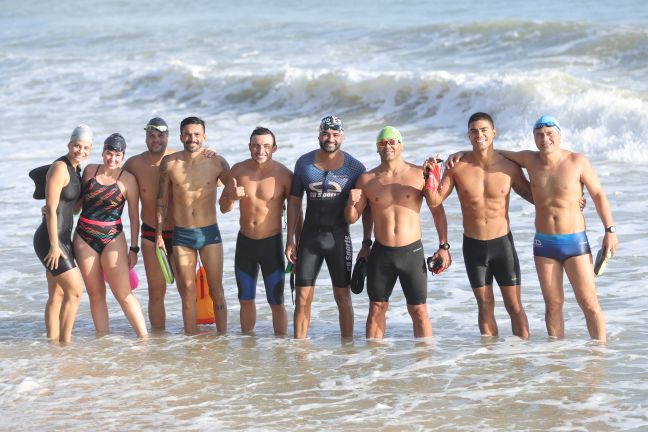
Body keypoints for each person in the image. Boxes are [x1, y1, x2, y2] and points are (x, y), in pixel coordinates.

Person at [496, 115, 617, 343]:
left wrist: (610, 230)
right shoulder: (529, 159)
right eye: (539, 135)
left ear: (559, 135)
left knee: (589, 302)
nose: (545, 139)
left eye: (550, 134)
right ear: (534, 138)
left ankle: (600, 355)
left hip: (575, 242)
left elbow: (598, 195)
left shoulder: (577, 161)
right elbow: (494, 152)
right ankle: (556, 360)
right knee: (553, 304)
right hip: (544, 243)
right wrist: (461, 154)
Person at [424, 112, 531, 339]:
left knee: (514, 306)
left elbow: (534, 196)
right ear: (469, 135)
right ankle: (490, 361)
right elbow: (434, 200)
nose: (479, 134)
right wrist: (430, 174)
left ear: (494, 133)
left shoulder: (509, 167)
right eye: (474, 131)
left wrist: (570, 196)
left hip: (502, 244)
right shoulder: (457, 166)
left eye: (484, 130)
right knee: (485, 305)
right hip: (473, 246)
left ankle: (523, 359)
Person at [345, 126, 450, 338]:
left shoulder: (419, 174)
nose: (388, 146)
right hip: (381, 254)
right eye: (382, 143)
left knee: (419, 311)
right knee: (376, 308)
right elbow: (353, 218)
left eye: (392, 142)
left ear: (401, 145)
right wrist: (350, 203)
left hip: (411, 252)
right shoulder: (366, 180)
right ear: (377, 148)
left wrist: (443, 246)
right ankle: (374, 364)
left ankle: (425, 363)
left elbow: (437, 210)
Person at [285, 115, 371, 339]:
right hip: (309, 239)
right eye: (325, 133)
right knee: (302, 298)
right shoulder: (304, 163)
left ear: (341, 137)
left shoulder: (355, 168)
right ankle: (299, 351)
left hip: (338, 238)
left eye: (335, 134)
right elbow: (294, 202)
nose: (330, 138)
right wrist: (291, 240)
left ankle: (347, 348)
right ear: (319, 135)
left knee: (342, 297)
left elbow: (366, 209)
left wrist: (366, 243)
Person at [220, 126, 301, 335]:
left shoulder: (284, 175)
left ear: (275, 148)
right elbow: (223, 208)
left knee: (276, 301)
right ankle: (249, 349)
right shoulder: (237, 170)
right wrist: (231, 197)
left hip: (271, 243)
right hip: (245, 242)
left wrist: (293, 242)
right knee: (245, 298)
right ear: (249, 146)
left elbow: (296, 211)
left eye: (266, 146)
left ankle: (281, 349)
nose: (260, 150)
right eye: (256, 145)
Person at [156, 116, 231, 335]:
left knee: (216, 290)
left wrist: (233, 197)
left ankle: (223, 338)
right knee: (187, 292)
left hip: (209, 233)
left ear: (204, 137)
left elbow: (235, 190)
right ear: (181, 136)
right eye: (188, 134)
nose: (192, 138)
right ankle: (190, 341)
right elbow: (161, 201)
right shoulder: (169, 163)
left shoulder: (217, 162)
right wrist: (159, 234)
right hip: (182, 235)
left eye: (197, 134)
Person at [73, 133, 148, 337]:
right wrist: (52, 208)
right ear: (103, 151)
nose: (112, 159)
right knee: (96, 294)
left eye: (117, 155)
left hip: (112, 237)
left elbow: (134, 216)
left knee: (123, 294)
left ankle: (144, 339)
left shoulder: (128, 180)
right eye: (109, 153)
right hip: (84, 237)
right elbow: (75, 204)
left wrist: (134, 249)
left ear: (123, 156)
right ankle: (103, 342)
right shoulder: (89, 171)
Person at [33, 125, 93, 343]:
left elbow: (73, 209)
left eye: (86, 148)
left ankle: (52, 344)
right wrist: (54, 245)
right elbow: (50, 208)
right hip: (51, 240)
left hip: (62, 238)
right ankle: (65, 344)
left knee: (57, 295)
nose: (81, 151)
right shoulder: (59, 167)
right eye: (77, 146)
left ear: (90, 149)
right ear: (69, 144)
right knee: (75, 292)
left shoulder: (76, 170)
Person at [123, 118, 175, 331]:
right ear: (146, 137)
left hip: (180, 233)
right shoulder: (135, 164)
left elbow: (213, 178)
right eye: (151, 136)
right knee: (156, 291)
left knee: (187, 290)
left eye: (160, 135)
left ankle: (191, 342)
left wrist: (209, 152)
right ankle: (160, 343)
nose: (156, 140)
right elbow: (110, 184)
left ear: (167, 136)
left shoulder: (179, 158)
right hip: (151, 234)